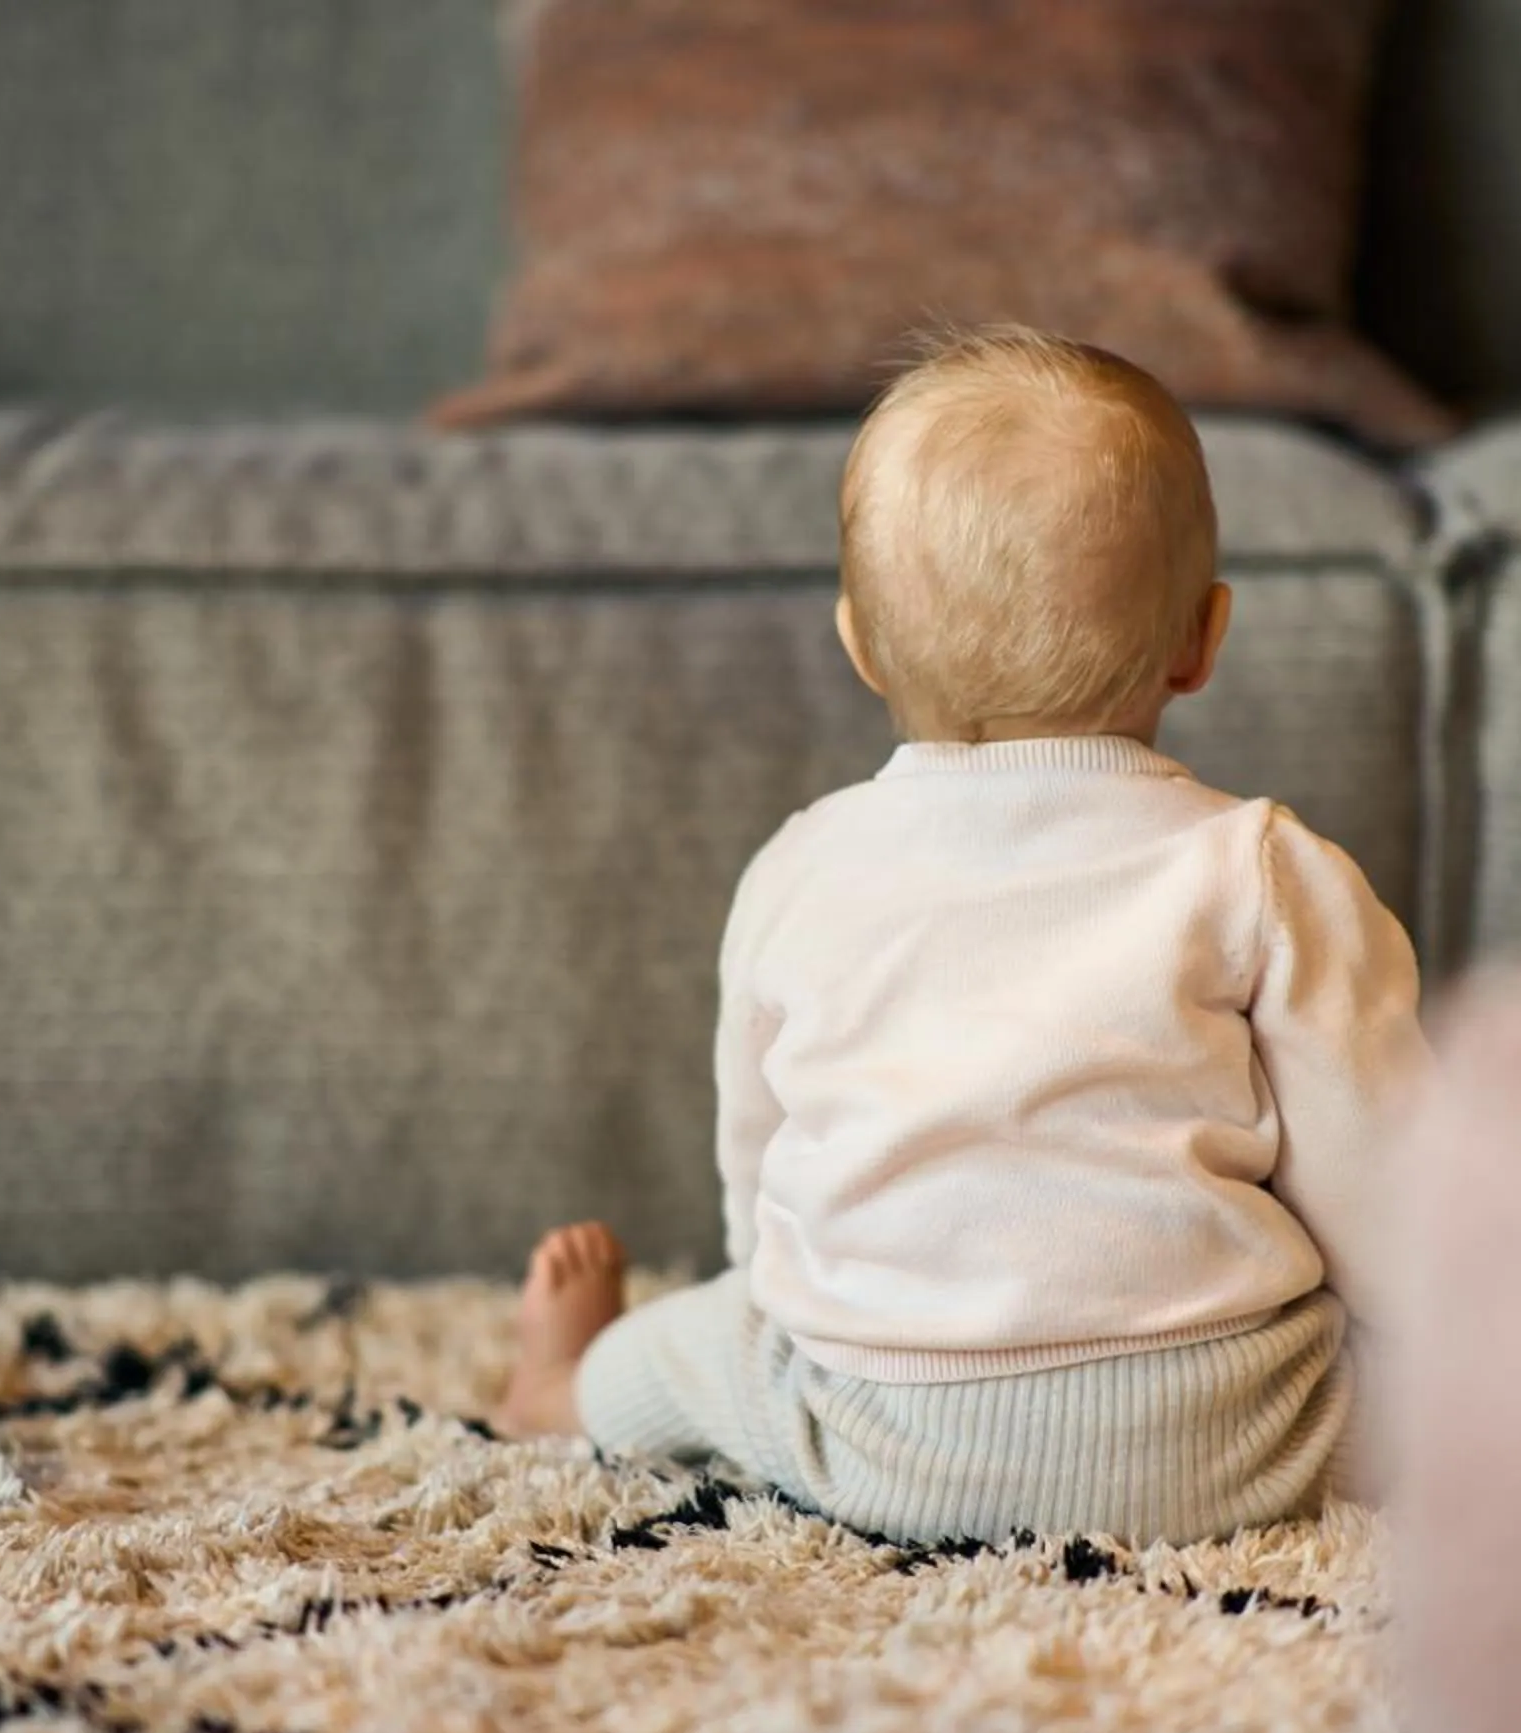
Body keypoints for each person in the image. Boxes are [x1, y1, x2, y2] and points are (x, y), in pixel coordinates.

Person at [497, 326, 1429, 1543]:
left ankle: (561, 1391)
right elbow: (1386, 1164)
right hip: (1224, 1439)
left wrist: (790, 1287)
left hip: (876, 1438)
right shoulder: (1258, 869)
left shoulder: (800, 868)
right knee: (1448, 1382)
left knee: (710, 1344)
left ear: (859, 643)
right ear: (1203, 637)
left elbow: (763, 1142)